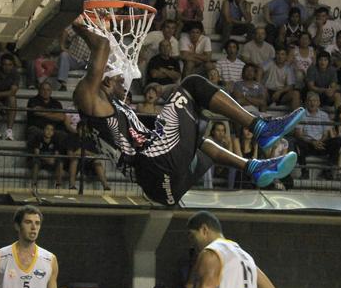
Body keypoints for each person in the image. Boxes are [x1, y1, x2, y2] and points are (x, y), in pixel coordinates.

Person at [71, 18, 305, 205]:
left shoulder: (109, 112)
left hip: (164, 192)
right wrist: (82, 25)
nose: (125, 81)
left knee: (201, 144)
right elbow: (101, 46)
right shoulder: (89, 99)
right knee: (193, 83)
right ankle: (262, 128)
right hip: (157, 163)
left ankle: (253, 167)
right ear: (105, 82)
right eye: (119, 79)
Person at [186, 211, 282, 288]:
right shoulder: (245, 256)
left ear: (204, 230)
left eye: (192, 236)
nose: (191, 243)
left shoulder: (211, 253)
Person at [294, 91, 341, 180]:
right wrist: (312, 142)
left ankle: (327, 170)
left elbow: (326, 134)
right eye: (310, 101)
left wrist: (319, 142)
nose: (313, 103)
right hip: (308, 144)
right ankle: (304, 172)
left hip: (321, 144)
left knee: (338, 141)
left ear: (319, 103)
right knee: (297, 142)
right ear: (306, 102)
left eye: (315, 101)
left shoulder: (324, 115)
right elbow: (298, 134)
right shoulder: (301, 115)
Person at [66, 122, 111, 191]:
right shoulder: (72, 138)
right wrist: (77, 153)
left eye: (85, 130)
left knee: (97, 161)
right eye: (81, 130)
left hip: (88, 162)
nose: (84, 132)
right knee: (74, 161)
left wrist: (84, 152)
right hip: (76, 162)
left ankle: (106, 186)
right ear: (77, 130)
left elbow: (95, 155)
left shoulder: (90, 139)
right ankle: (72, 185)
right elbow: (70, 155)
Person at [0, 53, 20, 141]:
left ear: (13, 65)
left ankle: (9, 131)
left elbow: (13, 91)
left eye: (10, 65)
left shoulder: (15, 73)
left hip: (5, 98)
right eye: (5, 64)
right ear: (1, 65)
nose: (7, 67)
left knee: (12, 99)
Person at [26, 82, 69, 148]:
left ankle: (57, 158)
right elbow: (36, 112)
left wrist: (43, 112)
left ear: (51, 91)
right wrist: (53, 113)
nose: (45, 92)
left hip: (53, 131)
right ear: (39, 90)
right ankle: (32, 157)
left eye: (48, 90)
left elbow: (61, 117)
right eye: (43, 89)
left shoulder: (56, 103)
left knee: (63, 135)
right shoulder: (33, 100)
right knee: (33, 131)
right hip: (38, 129)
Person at [57, 25, 91, 92]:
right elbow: (66, 31)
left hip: (87, 61)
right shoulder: (79, 26)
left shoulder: (98, 30)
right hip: (74, 58)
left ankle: (90, 88)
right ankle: (63, 85)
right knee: (64, 55)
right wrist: (62, 47)